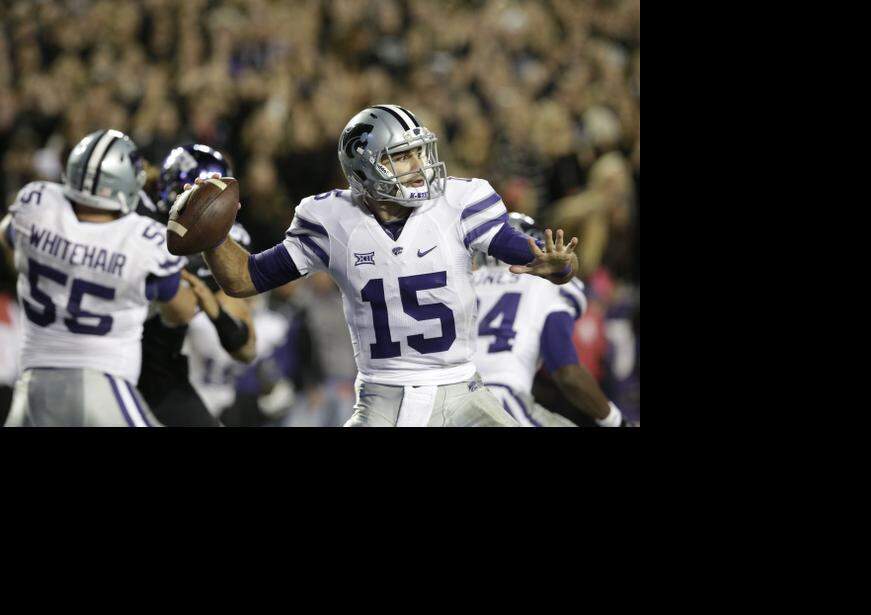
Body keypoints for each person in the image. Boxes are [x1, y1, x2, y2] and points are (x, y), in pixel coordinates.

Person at [190, 104, 580, 426]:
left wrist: (559, 266)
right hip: (382, 396)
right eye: (402, 156)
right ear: (365, 168)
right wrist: (211, 235)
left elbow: (530, 253)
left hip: (461, 390)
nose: (419, 164)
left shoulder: (459, 203)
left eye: (419, 152)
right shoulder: (331, 220)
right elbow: (244, 278)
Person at [0, 129, 197, 426]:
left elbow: (7, 236)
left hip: (32, 383)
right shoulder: (142, 240)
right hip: (101, 382)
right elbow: (182, 311)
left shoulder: (38, 205)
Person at [473, 213, 633, 427]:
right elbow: (567, 372)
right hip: (502, 399)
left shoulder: (466, 283)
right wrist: (617, 421)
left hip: (450, 402)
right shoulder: (545, 285)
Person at [136, 144, 257, 427]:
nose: (210, 208)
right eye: (202, 197)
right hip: (110, 350)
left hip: (159, 370)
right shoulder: (135, 215)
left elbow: (247, 349)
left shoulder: (215, 242)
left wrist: (215, 310)